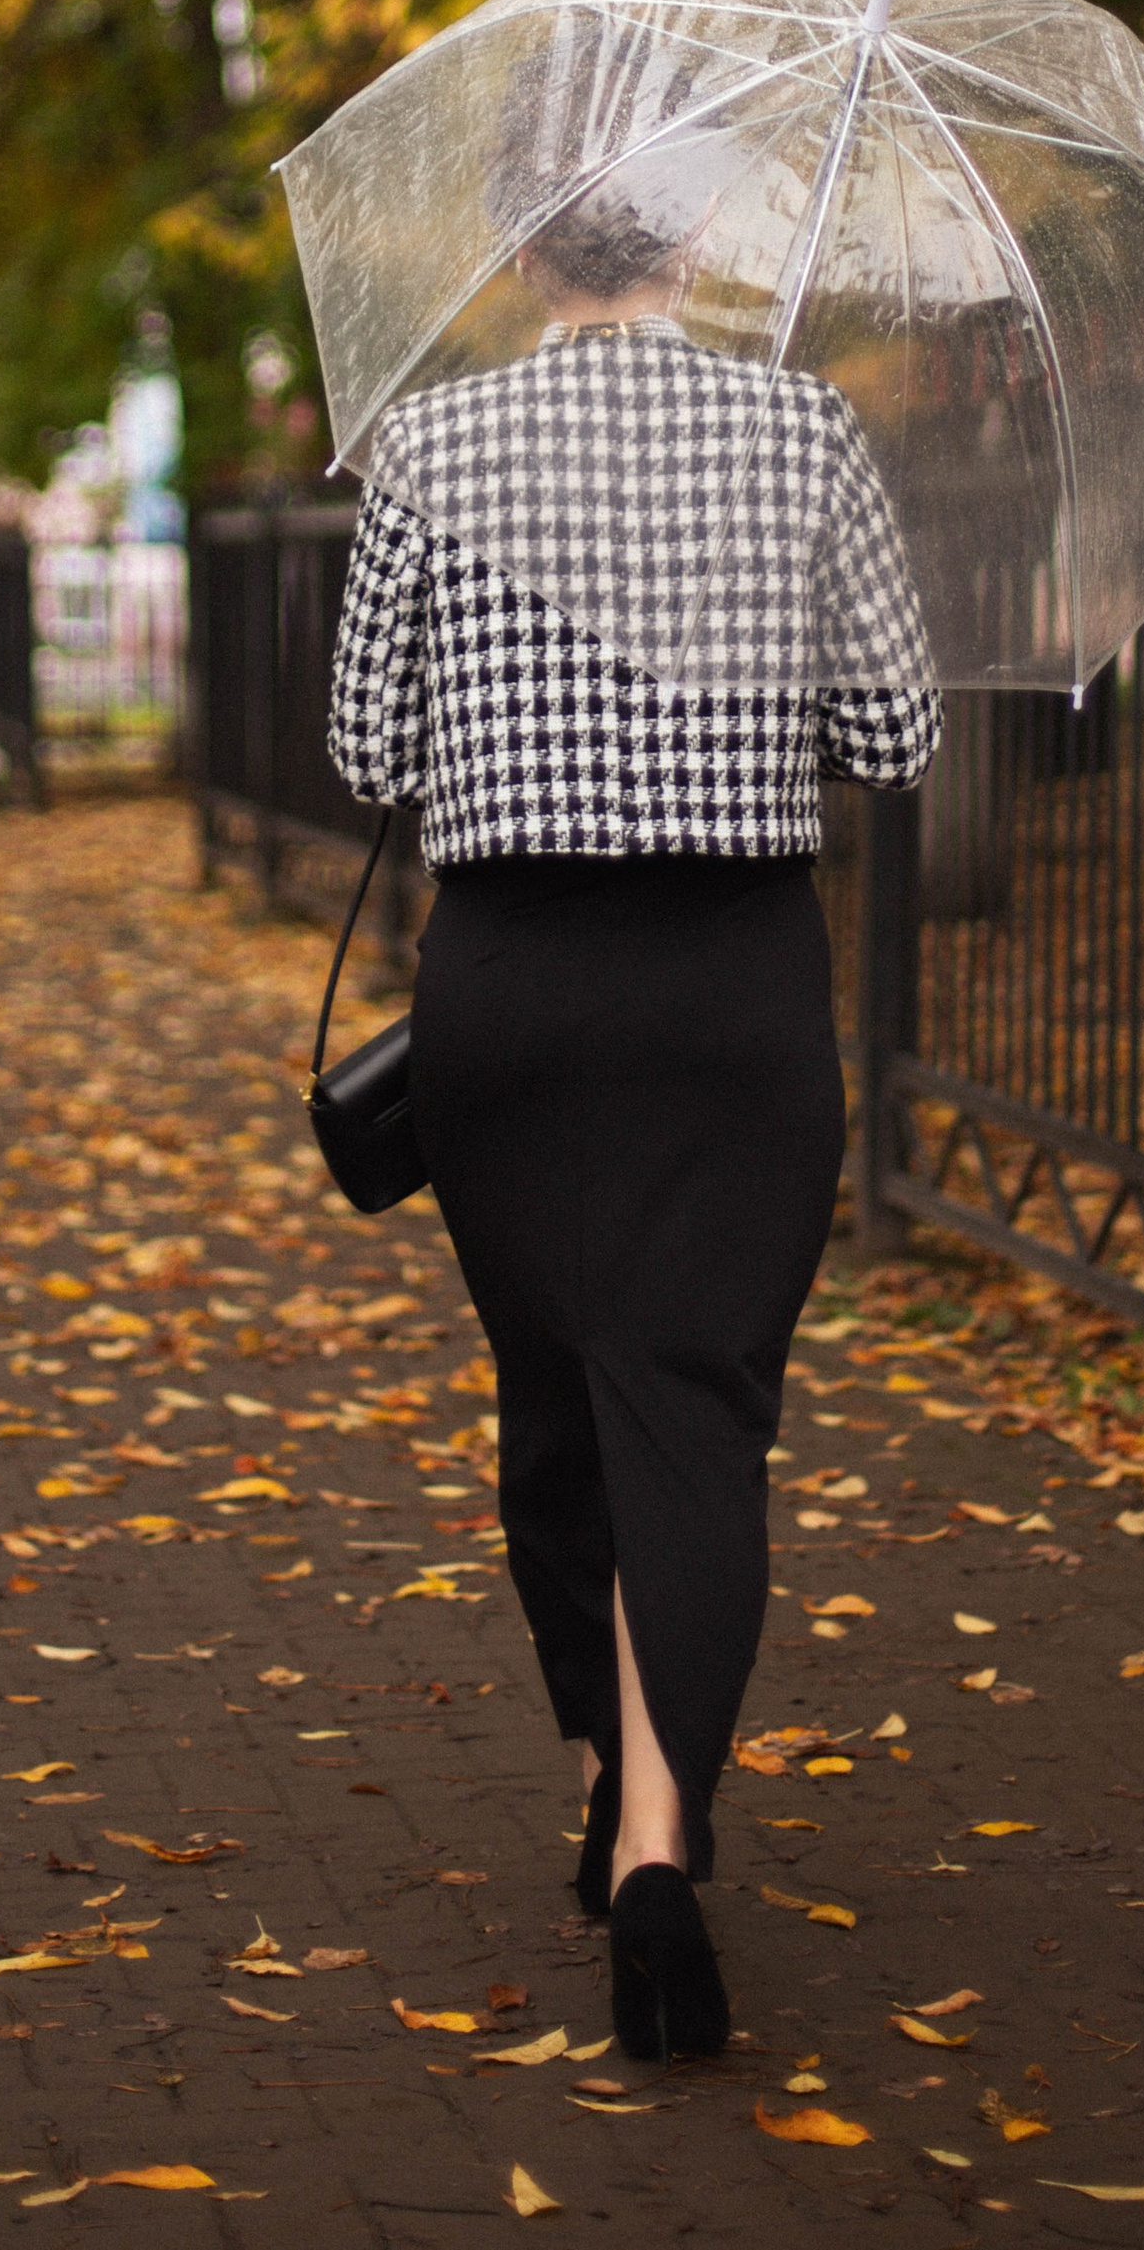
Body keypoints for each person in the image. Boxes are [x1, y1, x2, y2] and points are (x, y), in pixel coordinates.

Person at [325, 110, 939, 2062]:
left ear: (519, 252)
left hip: (509, 992)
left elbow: (361, 747)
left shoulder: (431, 445)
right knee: (692, 1409)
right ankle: (659, 1841)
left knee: (563, 1402)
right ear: (694, 244)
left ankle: (622, 1774)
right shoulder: (805, 434)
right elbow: (895, 726)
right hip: (731, 995)